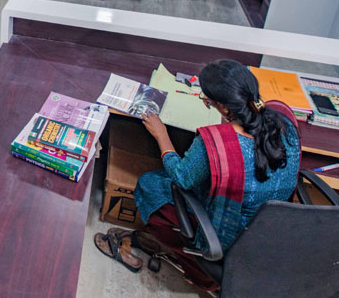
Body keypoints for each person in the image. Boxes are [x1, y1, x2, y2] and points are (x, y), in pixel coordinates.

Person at [93, 60, 300, 291]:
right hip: (271, 228)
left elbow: (182, 177)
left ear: (225, 108)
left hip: (231, 236)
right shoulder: (284, 121)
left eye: (207, 100)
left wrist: (161, 135)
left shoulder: (220, 142)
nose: (205, 102)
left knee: (150, 184)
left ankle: (200, 272)